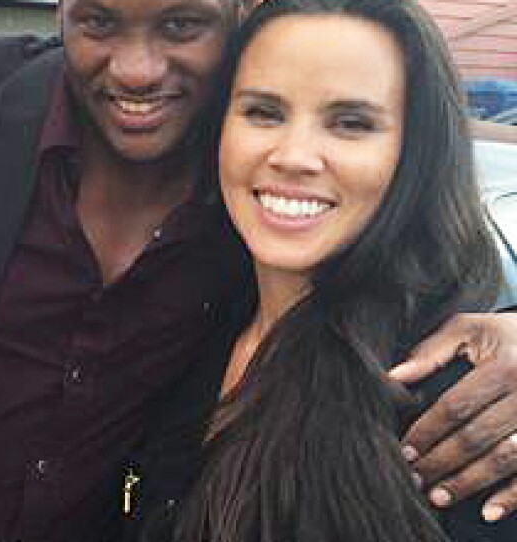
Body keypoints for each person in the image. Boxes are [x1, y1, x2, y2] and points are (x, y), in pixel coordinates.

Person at [0, 0, 517, 541]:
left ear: (233, 21)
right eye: (97, 19)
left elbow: (417, 236)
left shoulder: (258, 194)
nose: (134, 69)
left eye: (182, 23)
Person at [157, 0, 517, 540]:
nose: (295, 155)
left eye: (351, 123)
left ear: (414, 151)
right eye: (264, 112)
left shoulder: (463, 404)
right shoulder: (187, 320)